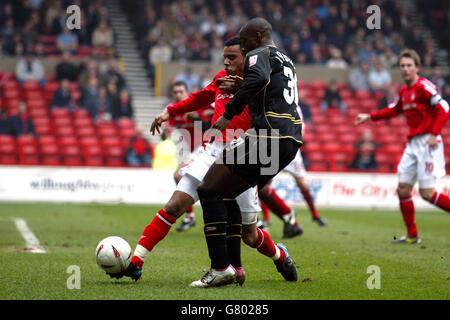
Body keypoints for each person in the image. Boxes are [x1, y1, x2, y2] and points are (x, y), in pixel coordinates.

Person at [112, 37, 259, 285]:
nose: (226, 61)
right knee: (173, 206)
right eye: (225, 57)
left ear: (246, 56)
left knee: (251, 235)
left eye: (232, 57)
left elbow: (268, 115)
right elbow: (199, 98)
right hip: (212, 150)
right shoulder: (221, 79)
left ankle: (278, 255)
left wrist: (245, 89)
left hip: (241, 153)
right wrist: (169, 112)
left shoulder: (259, 83)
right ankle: (136, 261)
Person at [191, 18, 302, 287]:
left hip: (266, 135)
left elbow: (260, 78)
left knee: (208, 189)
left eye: (245, 40)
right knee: (226, 194)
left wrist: (227, 114)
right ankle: (237, 267)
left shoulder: (258, 53)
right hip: (290, 141)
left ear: (260, 36)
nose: (244, 45)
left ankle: (220, 268)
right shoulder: (286, 60)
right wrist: (241, 86)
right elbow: (269, 88)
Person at [355, 49, 450, 244]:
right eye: (402, 66)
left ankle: (414, 235)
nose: (406, 69)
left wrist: (434, 133)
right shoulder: (404, 91)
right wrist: (369, 117)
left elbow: (444, 108)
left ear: (417, 68)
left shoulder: (424, 87)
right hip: (413, 143)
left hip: (428, 142)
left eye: (409, 66)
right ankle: (413, 235)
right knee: (403, 188)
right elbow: (394, 110)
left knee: (427, 194)